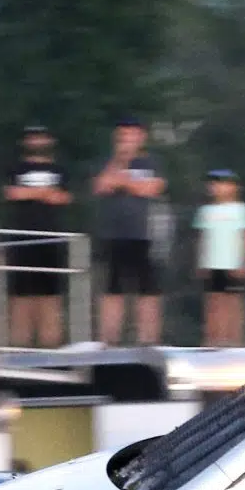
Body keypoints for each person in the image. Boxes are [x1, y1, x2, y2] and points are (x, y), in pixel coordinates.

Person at [90, 119, 166, 346]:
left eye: (132, 135)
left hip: (145, 234)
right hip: (113, 234)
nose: (127, 140)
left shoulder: (152, 163)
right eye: (123, 136)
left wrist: (123, 182)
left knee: (148, 290)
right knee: (112, 289)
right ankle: (109, 340)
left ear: (142, 137)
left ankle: (148, 340)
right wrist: (120, 163)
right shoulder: (107, 162)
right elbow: (101, 186)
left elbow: (153, 188)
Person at [1, 125, 72, 346]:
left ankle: (50, 352)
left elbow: (64, 198)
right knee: (20, 300)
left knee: (51, 299)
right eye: (32, 138)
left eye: (41, 137)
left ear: (49, 140)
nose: (37, 141)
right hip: (21, 241)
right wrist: (44, 193)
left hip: (52, 241)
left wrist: (30, 194)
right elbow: (12, 193)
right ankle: (18, 352)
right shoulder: (15, 168)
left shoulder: (60, 170)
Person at [192, 170, 245, 345]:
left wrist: (244, 263)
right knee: (213, 303)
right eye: (213, 184)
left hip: (233, 264)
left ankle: (233, 340)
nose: (215, 188)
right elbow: (202, 238)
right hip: (212, 263)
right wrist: (200, 262)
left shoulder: (242, 210)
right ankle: (213, 340)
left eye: (221, 183)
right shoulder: (205, 211)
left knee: (233, 304)